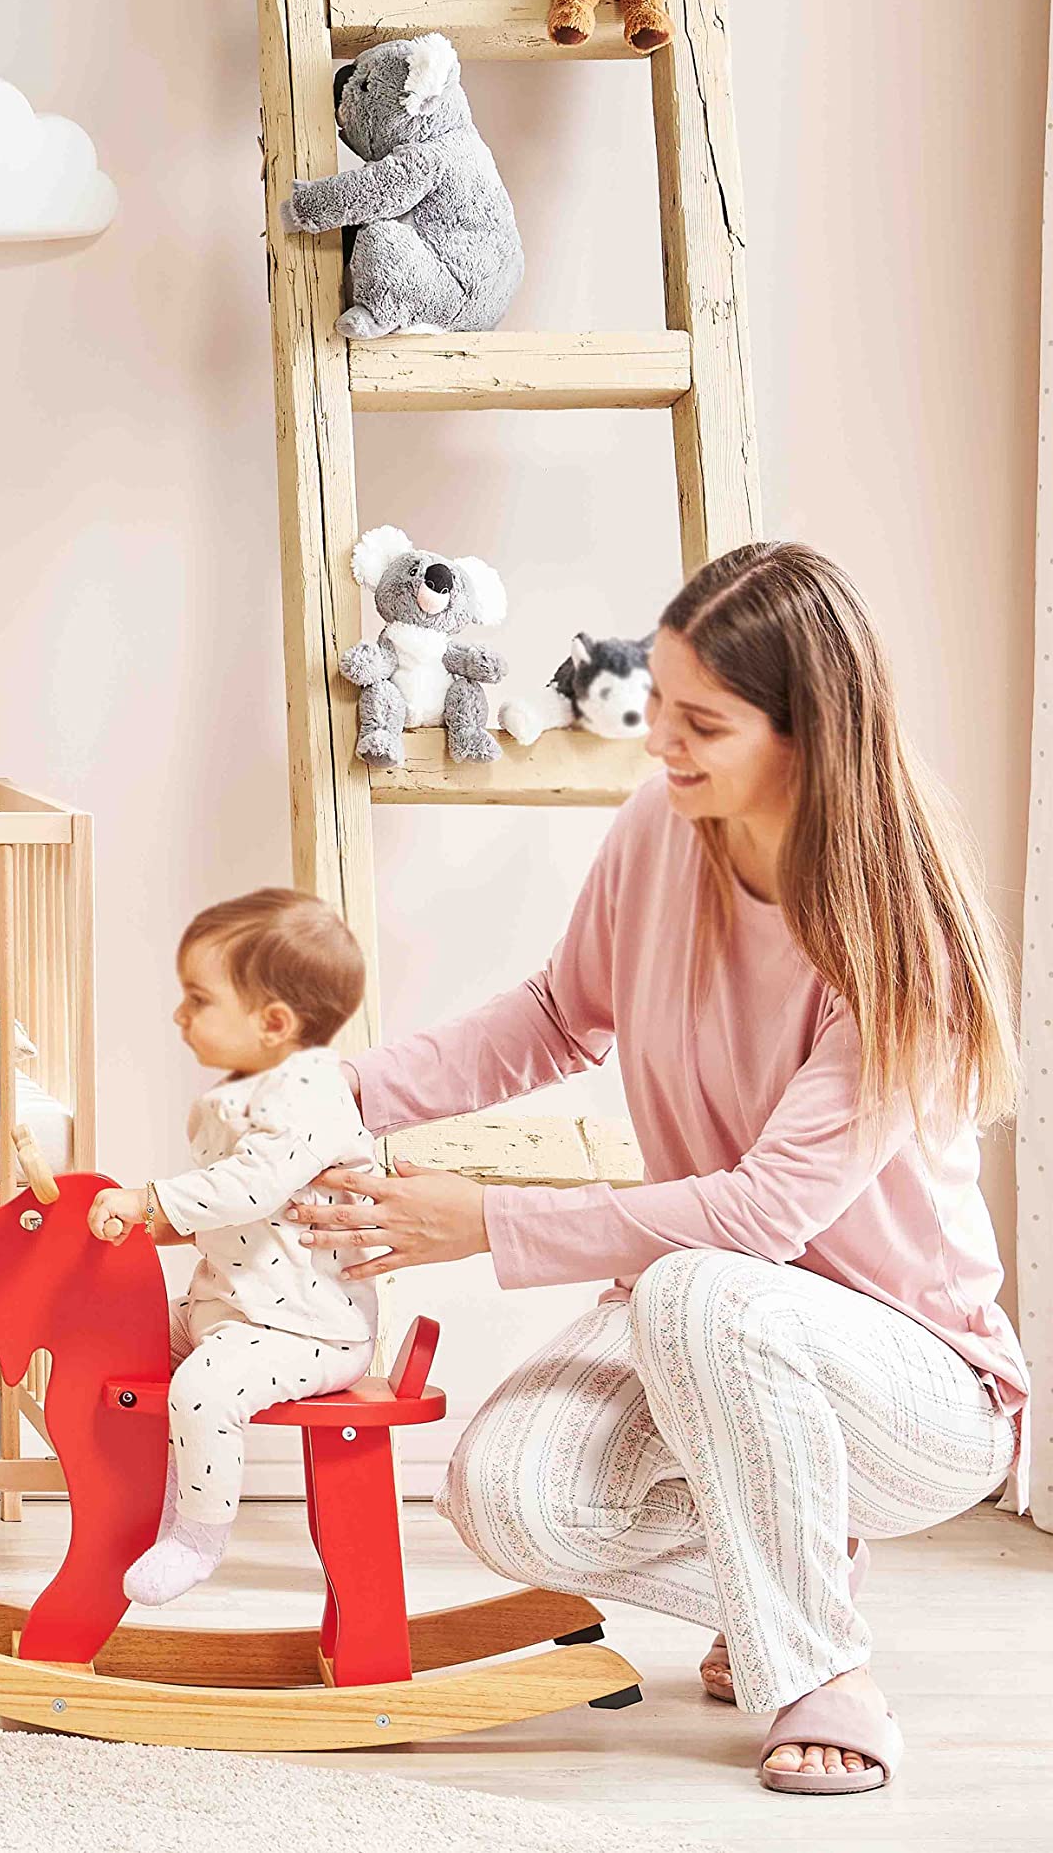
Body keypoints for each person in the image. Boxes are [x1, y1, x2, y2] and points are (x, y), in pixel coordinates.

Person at [286, 542, 1026, 1795]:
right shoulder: (661, 825)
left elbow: (765, 1213)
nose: (659, 741)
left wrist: (488, 1220)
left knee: (700, 1281)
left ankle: (819, 1669)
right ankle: (794, 1571)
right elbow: (556, 1014)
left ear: (808, 736)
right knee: (505, 1494)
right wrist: (343, 1092)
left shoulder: (901, 944)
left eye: (703, 722)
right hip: (706, 1323)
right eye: (660, 702)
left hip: (917, 1386)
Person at [85, 888, 380, 1605]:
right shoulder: (255, 1091)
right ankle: (138, 1508)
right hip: (229, 1308)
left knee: (204, 1392)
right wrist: (166, 1224)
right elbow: (244, 1207)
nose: (179, 1015)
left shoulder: (309, 1095)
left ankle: (197, 1538)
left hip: (302, 1328)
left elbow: (250, 1186)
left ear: (274, 1022)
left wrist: (151, 1200)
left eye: (197, 999)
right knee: (113, 1345)